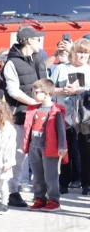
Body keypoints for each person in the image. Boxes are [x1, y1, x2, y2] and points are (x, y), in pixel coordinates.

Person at [2, 25, 48, 208]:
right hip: (20, 116)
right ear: (29, 40)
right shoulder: (11, 63)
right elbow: (13, 91)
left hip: (39, 116)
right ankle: (12, 192)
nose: (40, 41)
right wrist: (35, 104)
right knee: (18, 156)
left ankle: (41, 194)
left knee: (38, 156)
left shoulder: (39, 58)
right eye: (37, 39)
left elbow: (47, 86)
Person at [49, 38, 90, 194]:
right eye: (79, 52)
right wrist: (63, 90)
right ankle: (64, 182)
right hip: (64, 116)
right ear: (73, 52)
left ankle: (86, 183)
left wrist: (81, 91)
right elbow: (50, 89)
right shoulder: (61, 69)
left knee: (86, 151)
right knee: (64, 150)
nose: (82, 56)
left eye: (86, 53)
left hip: (85, 117)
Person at [24, 79, 68, 212]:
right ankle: (39, 198)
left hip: (49, 148)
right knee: (37, 175)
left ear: (47, 93)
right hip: (34, 147)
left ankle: (54, 200)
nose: (33, 94)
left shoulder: (56, 110)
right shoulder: (33, 109)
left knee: (51, 176)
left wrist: (62, 146)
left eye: (36, 92)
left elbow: (61, 130)